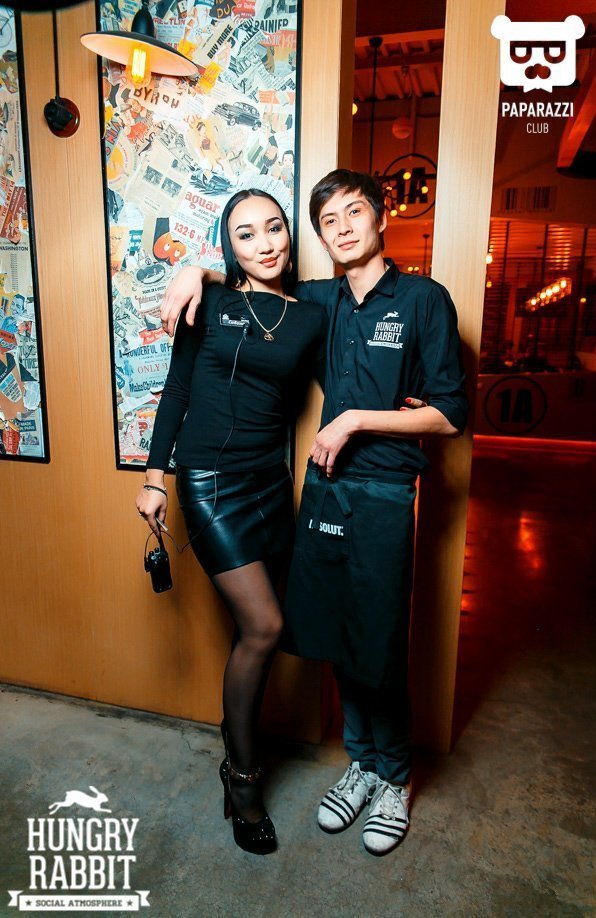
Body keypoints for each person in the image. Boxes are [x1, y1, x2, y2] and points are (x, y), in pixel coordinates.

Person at [159, 169, 468, 857]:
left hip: (386, 490)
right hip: (324, 487)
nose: (344, 228)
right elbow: (248, 283)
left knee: (379, 639)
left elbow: (450, 414)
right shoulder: (317, 300)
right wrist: (196, 270)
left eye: (355, 212)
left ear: (382, 216)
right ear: (321, 238)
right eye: (330, 221)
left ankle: (394, 777)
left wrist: (356, 418)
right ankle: (361, 763)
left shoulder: (424, 299)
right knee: (337, 632)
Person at [136, 189, 325, 856]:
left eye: (274, 228)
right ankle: (244, 780)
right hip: (211, 486)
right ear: (230, 244)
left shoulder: (313, 314)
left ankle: (235, 748)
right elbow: (178, 389)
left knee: (266, 632)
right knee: (263, 626)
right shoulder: (208, 301)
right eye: (246, 234)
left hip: (270, 483)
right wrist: (154, 479)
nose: (265, 243)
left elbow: (350, 368)